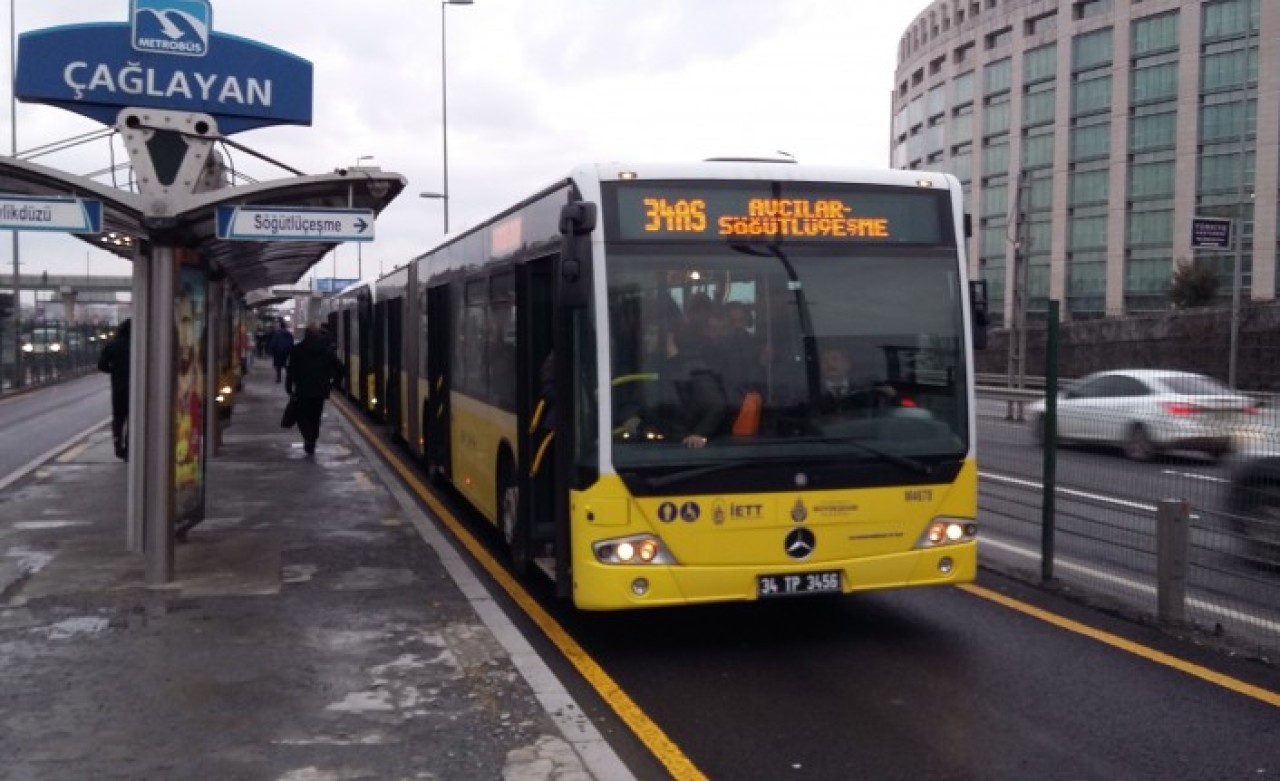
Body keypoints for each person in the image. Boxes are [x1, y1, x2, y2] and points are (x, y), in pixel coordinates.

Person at [285, 324, 345, 456]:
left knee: (302, 416)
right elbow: (340, 368)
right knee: (315, 417)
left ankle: (308, 437)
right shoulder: (326, 351)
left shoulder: (297, 350)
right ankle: (312, 438)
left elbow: (291, 371)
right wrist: (333, 384)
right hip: (320, 390)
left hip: (302, 390)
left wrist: (289, 387)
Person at [817, 346, 895, 416]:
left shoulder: (865, 390)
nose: (830, 364)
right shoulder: (811, 395)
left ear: (847, 364)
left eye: (835, 359)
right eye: (824, 361)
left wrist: (890, 396)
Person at [97, 319, 131, 461]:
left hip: (118, 386)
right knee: (133, 418)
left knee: (118, 418)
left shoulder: (112, 345)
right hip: (136, 387)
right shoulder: (140, 344)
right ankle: (130, 447)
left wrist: (115, 371)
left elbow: (101, 365)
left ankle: (118, 446)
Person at [267, 319, 294, 383]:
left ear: (280, 326)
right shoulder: (289, 334)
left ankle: (278, 378)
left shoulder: (277, 333)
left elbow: (274, 342)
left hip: (278, 352)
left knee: (278, 365)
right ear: (285, 326)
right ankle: (289, 378)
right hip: (286, 351)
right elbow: (291, 343)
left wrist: (270, 350)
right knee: (286, 365)